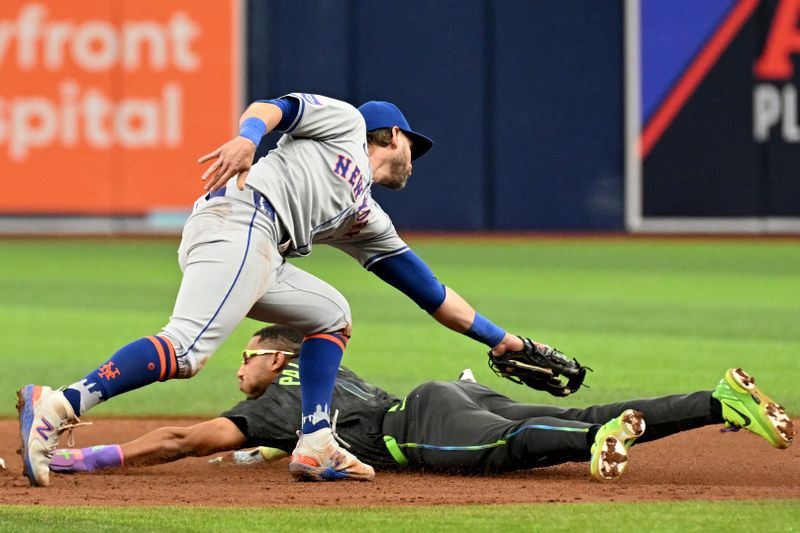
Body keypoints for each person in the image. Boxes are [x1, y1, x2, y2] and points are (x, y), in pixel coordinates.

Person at [19, 93, 533, 486]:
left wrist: (502, 340)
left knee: (331, 314)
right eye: (411, 148)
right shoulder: (349, 126)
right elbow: (277, 107)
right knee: (185, 350)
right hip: (243, 218)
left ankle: (315, 441)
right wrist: (248, 137)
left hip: (264, 247)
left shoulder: (366, 215)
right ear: (392, 135)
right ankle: (60, 403)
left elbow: (432, 294)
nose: (413, 160)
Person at [49, 326, 795, 482]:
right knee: (576, 413)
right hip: (442, 395)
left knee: (510, 448)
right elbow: (263, 445)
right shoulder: (320, 374)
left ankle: (598, 437)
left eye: (246, 353)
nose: (237, 366)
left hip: (425, 427)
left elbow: (182, 438)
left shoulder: (275, 400)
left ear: (273, 358)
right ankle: (715, 400)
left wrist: (81, 454)